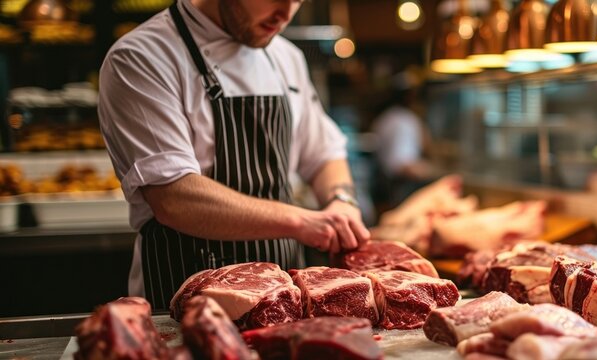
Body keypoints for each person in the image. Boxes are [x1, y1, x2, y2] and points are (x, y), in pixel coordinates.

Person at [98, 0, 370, 309]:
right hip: (188, 302)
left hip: (283, 302)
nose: (285, 13)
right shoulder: (142, 58)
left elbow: (323, 153)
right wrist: (301, 221)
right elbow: (174, 197)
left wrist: (341, 201)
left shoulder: (285, 57)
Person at [371, 70, 440, 208]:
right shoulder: (405, 121)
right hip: (401, 193)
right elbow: (403, 165)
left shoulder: (384, 118)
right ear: (411, 96)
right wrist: (437, 173)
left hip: (384, 190)